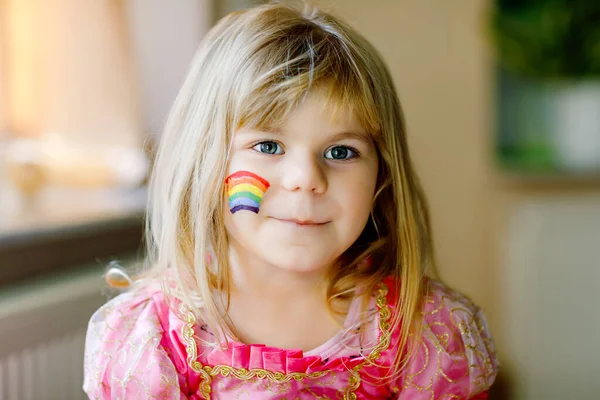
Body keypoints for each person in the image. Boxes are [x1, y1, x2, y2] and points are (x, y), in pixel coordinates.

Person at [83, 2, 498, 398]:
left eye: (340, 152)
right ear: (205, 161)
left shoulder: (427, 333)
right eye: (267, 146)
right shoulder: (152, 339)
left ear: (382, 177)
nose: (306, 180)